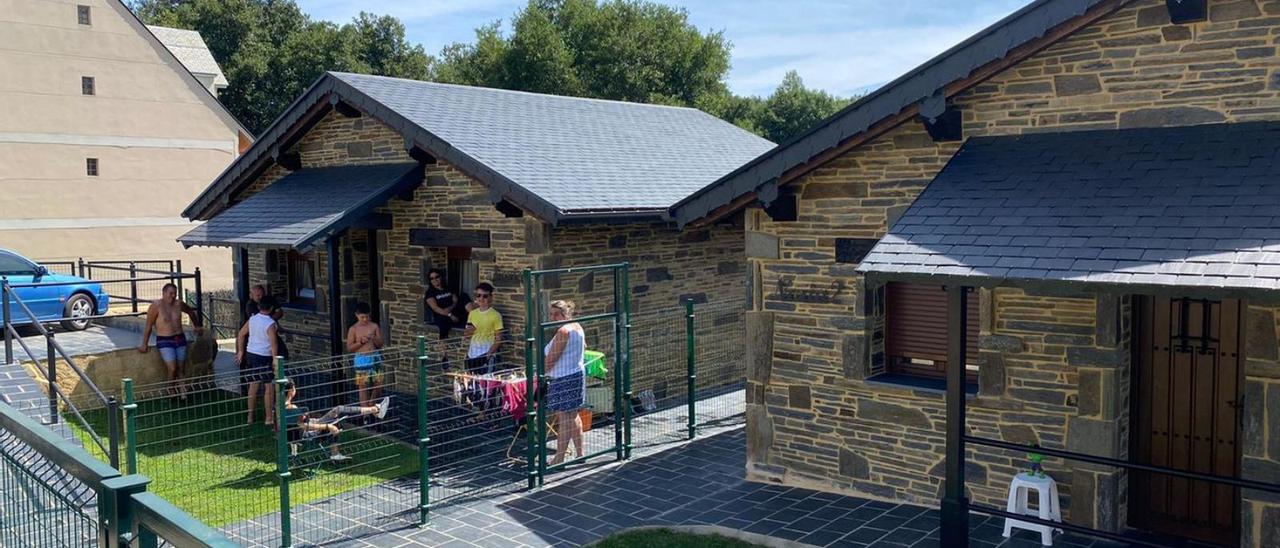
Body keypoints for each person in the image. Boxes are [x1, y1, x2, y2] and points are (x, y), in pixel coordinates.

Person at [282, 378, 389, 462]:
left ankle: (375, 410)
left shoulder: (277, 407)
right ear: (291, 390)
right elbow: (304, 426)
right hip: (308, 434)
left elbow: (292, 428)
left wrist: (313, 420)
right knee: (338, 412)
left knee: (336, 413)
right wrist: (328, 426)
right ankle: (375, 409)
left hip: (293, 437)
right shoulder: (292, 409)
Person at [137, 283, 204, 399]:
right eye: (170, 293)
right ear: (164, 293)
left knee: (181, 366)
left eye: (175, 294)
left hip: (179, 338)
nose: (173, 296)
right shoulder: (155, 306)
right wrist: (144, 344)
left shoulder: (179, 304)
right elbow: (148, 325)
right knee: (172, 368)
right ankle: (171, 388)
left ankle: (182, 390)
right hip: (165, 340)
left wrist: (197, 326)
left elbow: (191, 312)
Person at [543, 300, 586, 465]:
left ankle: (559, 458)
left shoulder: (563, 331)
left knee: (564, 418)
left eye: (556, 314)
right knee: (573, 414)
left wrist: (538, 375)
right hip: (576, 373)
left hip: (563, 377)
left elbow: (551, 360)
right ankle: (581, 454)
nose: (553, 317)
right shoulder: (577, 327)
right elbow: (583, 346)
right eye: (551, 314)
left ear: (566, 314)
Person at [236, 296, 279, 427]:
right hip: (264, 356)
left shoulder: (252, 319)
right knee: (268, 387)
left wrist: (240, 351)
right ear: (271, 308)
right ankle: (269, 417)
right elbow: (273, 344)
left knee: (253, 386)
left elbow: (241, 334)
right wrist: (275, 360)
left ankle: (250, 416)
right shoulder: (270, 324)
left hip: (251, 354)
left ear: (259, 307)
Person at [423, 269, 468, 367]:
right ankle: (444, 356)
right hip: (442, 315)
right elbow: (435, 308)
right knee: (443, 327)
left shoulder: (448, 288)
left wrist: (450, 309)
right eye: (432, 278)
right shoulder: (430, 293)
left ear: (441, 277)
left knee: (464, 297)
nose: (435, 280)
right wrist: (449, 314)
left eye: (437, 277)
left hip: (453, 310)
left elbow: (455, 301)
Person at [346, 302, 384, 407]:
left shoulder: (374, 326)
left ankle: (372, 403)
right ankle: (364, 412)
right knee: (363, 385)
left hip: (374, 356)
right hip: (361, 358)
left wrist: (374, 338)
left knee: (379, 382)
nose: (365, 319)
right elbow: (349, 348)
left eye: (367, 317)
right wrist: (360, 342)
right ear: (357, 315)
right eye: (362, 317)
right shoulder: (353, 329)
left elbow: (380, 344)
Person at [463, 282, 502, 374]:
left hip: (485, 354)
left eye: (485, 296)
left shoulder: (496, 315)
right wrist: (469, 331)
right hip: (471, 354)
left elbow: (499, 339)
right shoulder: (472, 313)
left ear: (490, 297)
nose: (481, 298)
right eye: (478, 295)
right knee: (471, 385)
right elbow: (467, 334)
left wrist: (488, 355)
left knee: (485, 385)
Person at [243, 284, 288, 359]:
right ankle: (276, 366)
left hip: (271, 331)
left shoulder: (268, 300)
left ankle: (279, 368)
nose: (260, 297)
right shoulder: (250, 306)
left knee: (282, 353)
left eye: (262, 295)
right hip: (259, 337)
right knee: (273, 353)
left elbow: (280, 312)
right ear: (251, 295)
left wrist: (270, 319)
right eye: (258, 295)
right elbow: (258, 321)